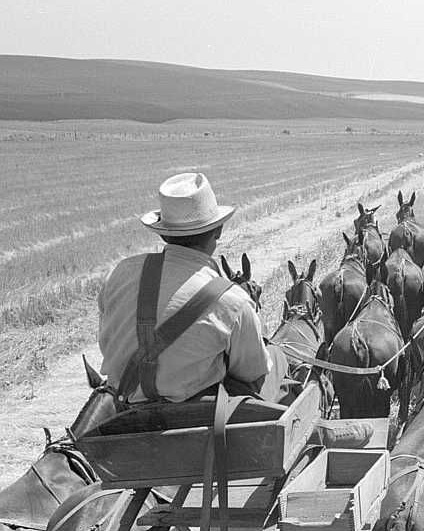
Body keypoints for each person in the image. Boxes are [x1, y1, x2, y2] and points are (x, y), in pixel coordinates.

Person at [98, 172, 284, 405]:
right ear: (218, 231)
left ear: (164, 234)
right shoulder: (233, 301)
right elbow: (252, 372)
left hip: (123, 405)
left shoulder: (119, 274)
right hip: (196, 414)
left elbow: (105, 340)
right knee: (277, 359)